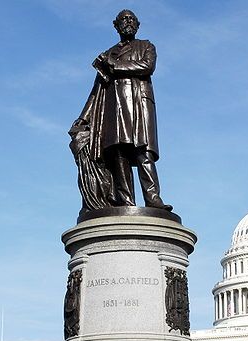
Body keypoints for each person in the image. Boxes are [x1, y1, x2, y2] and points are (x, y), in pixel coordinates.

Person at [71, 9, 172, 211]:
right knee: (119, 154)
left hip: (138, 105)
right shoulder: (108, 54)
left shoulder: (146, 46)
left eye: (131, 19)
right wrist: (83, 118)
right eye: (123, 20)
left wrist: (114, 65)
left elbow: (146, 66)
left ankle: (153, 198)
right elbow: (96, 89)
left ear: (138, 25)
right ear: (116, 26)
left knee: (144, 153)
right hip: (113, 109)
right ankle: (126, 202)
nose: (128, 22)